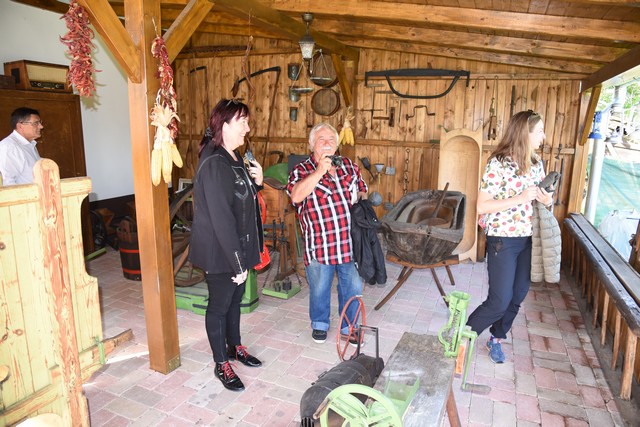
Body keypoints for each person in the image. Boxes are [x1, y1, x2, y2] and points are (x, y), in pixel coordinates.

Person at [467, 110, 554, 363]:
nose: (544, 137)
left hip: (527, 239)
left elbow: (544, 200)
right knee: (499, 301)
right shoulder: (498, 164)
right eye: (540, 131)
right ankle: (462, 336)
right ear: (525, 133)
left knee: (517, 296)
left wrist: (546, 199)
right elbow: (482, 206)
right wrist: (521, 197)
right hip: (502, 240)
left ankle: (496, 338)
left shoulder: (536, 163)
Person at [189, 99, 264, 392]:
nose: (248, 127)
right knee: (219, 306)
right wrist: (237, 263)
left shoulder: (234, 156)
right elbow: (222, 218)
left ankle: (235, 347)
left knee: (235, 301)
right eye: (242, 121)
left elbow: (241, 199)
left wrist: (258, 182)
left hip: (237, 246)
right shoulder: (214, 162)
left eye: (247, 121)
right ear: (224, 125)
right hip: (221, 251)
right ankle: (221, 363)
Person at [286, 123, 368, 345]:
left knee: (352, 287)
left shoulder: (349, 166)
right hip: (320, 244)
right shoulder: (301, 170)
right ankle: (320, 323)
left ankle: (349, 326)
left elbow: (362, 189)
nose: (327, 143)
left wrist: (361, 199)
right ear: (311, 144)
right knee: (319, 288)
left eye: (331, 139)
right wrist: (319, 171)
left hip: (349, 243)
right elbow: (296, 196)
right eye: (321, 139)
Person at [0, 107, 43, 185]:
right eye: (36, 123)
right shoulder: (9, 147)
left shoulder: (30, 144)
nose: (41, 126)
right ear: (20, 126)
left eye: (40, 122)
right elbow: (7, 183)